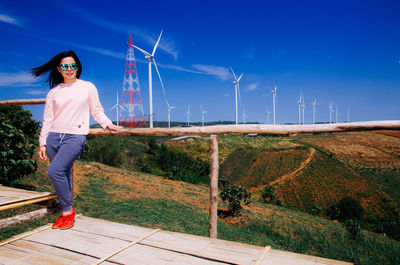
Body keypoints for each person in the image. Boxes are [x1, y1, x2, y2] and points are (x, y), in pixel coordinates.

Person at [31, 50, 122, 230]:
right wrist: (42, 142)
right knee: (63, 174)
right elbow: (48, 119)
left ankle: (67, 212)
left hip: (75, 136)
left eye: (73, 65)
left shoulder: (88, 87)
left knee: (55, 171)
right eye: (65, 66)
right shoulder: (54, 92)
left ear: (78, 67)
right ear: (58, 69)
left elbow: (96, 110)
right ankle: (66, 212)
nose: (69, 69)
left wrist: (107, 124)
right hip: (53, 137)